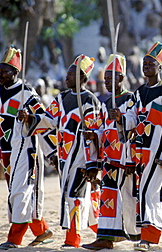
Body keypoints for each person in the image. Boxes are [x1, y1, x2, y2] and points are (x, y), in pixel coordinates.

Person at [19, 54, 103, 248]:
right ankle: (105, 233)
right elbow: (48, 120)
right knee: (73, 196)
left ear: (82, 77)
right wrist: (29, 118)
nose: (67, 77)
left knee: (75, 196)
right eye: (67, 73)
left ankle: (73, 240)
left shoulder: (90, 101)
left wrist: (93, 163)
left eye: (71, 74)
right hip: (64, 158)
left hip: (82, 158)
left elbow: (96, 132)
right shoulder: (62, 97)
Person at [120, 42, 162, 251]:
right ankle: (153, 236)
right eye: (144, 63)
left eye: (151, 63)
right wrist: (120, 117)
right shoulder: (138, 93)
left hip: (160, 153)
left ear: (160, 67)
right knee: (146, 193)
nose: (146, 66)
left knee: (150, 193)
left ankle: (149, 238)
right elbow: (131, 118)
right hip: (141, 154)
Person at [0, 46, 53, 249]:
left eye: (4, 71)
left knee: (20, 192)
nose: (0, 74)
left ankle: (14, 238)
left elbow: (48, 119)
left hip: (24, 149)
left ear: (15, 72)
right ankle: (41, 230)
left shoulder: (27, 93)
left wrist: (30, 117)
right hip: (4, 151)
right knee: (16, 191)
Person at [82, 54, 139, 250]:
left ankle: (135, 234)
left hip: (126, 159)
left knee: (129, 198)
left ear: (121, 78)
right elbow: (102, 129)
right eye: (105, 79)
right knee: (108, 197)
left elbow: (136, 126)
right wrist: (93, 136)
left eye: (110, 78)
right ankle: (105, 238)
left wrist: (121, 118)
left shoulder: (132, 99)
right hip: (110, 159)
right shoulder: (105, 103)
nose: (106, 82)